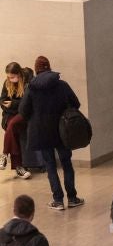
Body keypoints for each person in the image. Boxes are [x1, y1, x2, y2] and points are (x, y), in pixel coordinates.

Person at [19, 56, 84, 211]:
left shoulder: (31, 88)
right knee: (67, 164)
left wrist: (35, 119)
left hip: (41, 131)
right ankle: (73, 198)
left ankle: (58, 200)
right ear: (49, 68)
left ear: (36, 69)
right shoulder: (62, 85)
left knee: (50, 165)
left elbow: (23, 111)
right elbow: (76, 103)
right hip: (63, 130)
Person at [0, 63, 32, 179]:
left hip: (24, 114)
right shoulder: (7, 82)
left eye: (12, 76)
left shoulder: (27, 82)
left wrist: (12, 104)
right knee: (12, 128)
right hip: (10, 114)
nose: (10, 79)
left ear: (19, 74)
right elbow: (2, 100)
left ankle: (4, 154)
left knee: (12, 124)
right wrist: (6, 105)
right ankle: (19, 168)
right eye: (8, 77)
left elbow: (27, 103)